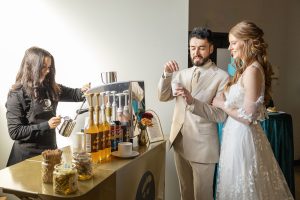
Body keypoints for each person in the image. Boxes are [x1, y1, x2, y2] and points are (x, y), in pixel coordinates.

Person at [211, 21, 294, 199]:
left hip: (244, 137)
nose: (229, 47)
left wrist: (221, 104)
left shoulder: (253, 70)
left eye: (233, 43)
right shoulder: (245, 69)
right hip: (234, 134)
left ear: (247, 42)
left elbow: (248, 117)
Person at [158, 27, 229, 200]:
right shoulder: (181, 74)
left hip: (203, 147)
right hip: (179, 142)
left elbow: (220, 115)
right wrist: (167, 75)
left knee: (202, 196)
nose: (196, 53)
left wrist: (192, 102)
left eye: (201, 48)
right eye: (192, 48)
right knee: (186, 193)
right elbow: (163, 96)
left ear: (211, 49)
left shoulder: (222, 77)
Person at [5, 46, 90, 166]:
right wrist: (46, 125)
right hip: (26, 159)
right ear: (31, 67)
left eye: (49, 67)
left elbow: (75, 94)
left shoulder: (50, 87)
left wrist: (84, 91)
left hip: (50, 154)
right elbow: (15, 132)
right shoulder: (16, 94)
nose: (48, 71)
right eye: (43, 67)